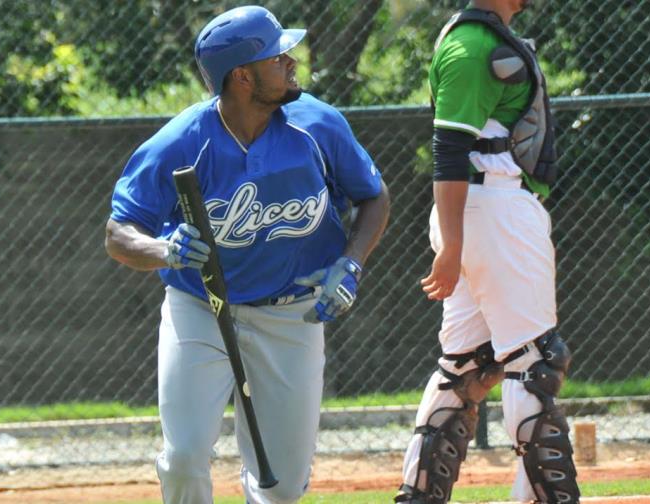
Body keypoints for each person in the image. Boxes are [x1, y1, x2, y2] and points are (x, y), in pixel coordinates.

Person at [104, 6, 390, 504]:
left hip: (292, 314)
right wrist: (163, 250)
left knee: (279, 486)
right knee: (186, 456)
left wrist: (352, 263)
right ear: (242, 77)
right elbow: (118, 232)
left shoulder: (317, 125)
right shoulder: (183, 140)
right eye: (277, 56)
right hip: (202, 309)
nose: (291, 62)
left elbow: (374, 196)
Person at [394, 1, 580, 503]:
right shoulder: (473, 44)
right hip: (492, 210)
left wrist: (456, 241)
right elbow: (449, 150)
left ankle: (420, 496)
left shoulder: (481, 37)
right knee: (535, 362)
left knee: (467, 366)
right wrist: (452, 246)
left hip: (484, 210)